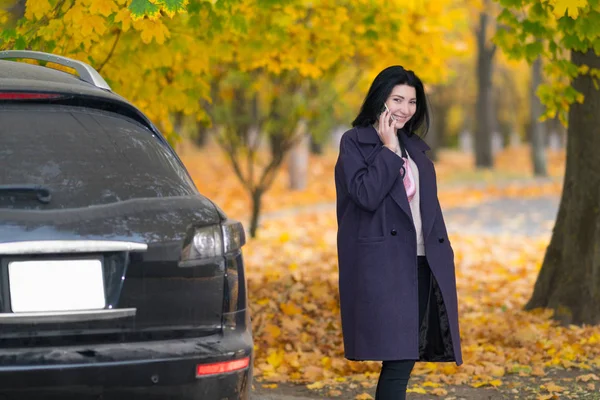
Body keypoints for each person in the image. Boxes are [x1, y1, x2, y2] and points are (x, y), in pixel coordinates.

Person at [334, 65, 463, 399]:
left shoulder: (415, 148)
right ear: (381, 99)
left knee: (403, 357)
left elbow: (426, 205)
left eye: (412, 101)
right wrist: (388, 150)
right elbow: (365, 195)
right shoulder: (355, 143)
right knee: (400, 357)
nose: (406, 109)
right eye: (397, 99)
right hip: (382, 265)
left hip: (421, 260)